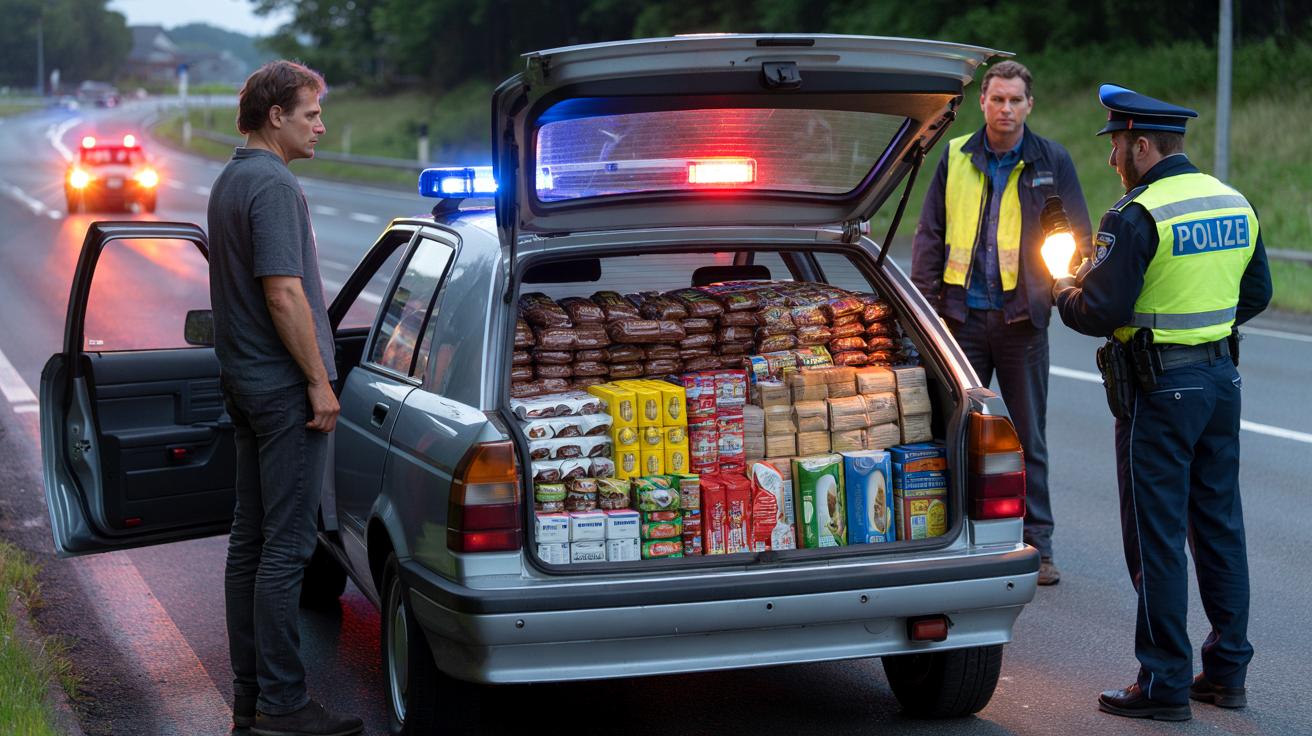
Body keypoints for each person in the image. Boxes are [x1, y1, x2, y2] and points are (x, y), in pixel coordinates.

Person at [1052, 84, 1271, 721]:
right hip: (1220, 382)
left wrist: (1066, 291)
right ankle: (1226, 673)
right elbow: (1256, 291)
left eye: (1117, 145)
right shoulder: (1234, 201)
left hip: (1159, 392)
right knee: (1221, 530)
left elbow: (1100, 310)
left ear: (1142, 145)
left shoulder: (1136, 214)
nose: (1112, 157)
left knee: (1157, 541)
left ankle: (1165, 682)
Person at [208, 60, 362, 736]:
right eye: (311, 114)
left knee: (251, 544)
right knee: (287, 549)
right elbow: (283, 292)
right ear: (276, 115)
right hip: (283, 393)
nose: (320, 126)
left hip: (245, 384)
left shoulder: (230, 179)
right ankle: (284, 704)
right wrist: (320, 382)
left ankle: (250, 697)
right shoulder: (272, 185)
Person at [912, 60, 1091, 585]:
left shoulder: (1050, 160)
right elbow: (930, 235)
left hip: (1022, 321)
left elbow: (1075, 236)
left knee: (1028, 438)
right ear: (983, 103)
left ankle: (1040, 545)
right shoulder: (955, 156)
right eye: (997, 99)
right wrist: (923, 311)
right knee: (953, 430)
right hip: (961, 318)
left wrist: (1056, 294)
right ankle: (951, 536)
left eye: (1015, 100)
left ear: (1029, 105)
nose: (1006, 108)